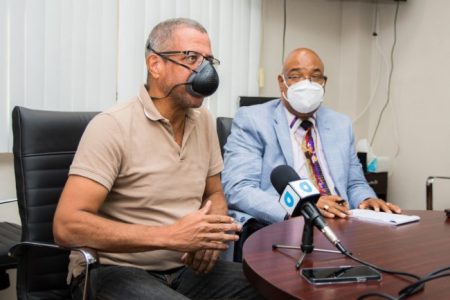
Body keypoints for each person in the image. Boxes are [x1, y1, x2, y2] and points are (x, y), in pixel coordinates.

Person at [53, 18, 261, 300]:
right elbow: (67, 226)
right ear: (155, 64)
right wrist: (170, 236)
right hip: (115, 269)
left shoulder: (204, 121)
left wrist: (210, 236)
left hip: (185, 269)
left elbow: (214, 193)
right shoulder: (112, 126)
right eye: (191, 57)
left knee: (272, 287)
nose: (206, 70)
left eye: (209, 59)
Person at [222, 48, 401, 261]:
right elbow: (239, 188)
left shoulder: (341, 124)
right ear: (282, 82)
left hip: (342, 225)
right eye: (296, 76)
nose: (307, 83)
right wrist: (303, 208)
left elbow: (354, 183)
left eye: (315, 77)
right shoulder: (253, 120)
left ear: (324, 83)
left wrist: (367, 199)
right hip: (287, 228)